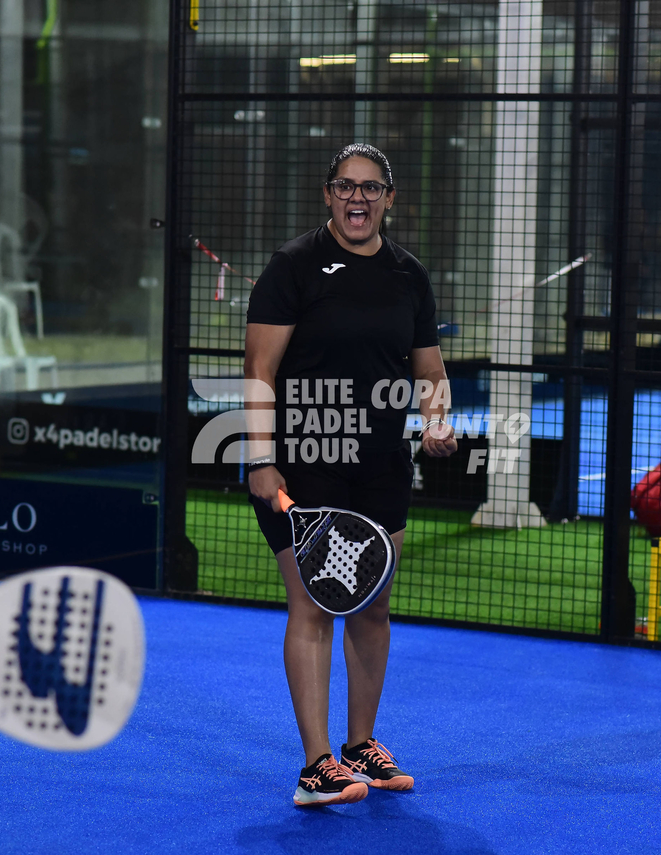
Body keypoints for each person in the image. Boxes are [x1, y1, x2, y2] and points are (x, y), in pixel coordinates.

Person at [243, 143, 458, 807]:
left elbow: (429, 367)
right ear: (328, 194)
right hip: (304, 462)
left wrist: (437, 420)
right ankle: (316, 766)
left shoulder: (408, 274)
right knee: (313, 605)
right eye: (345, 186)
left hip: (380, 464)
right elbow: (259, 369)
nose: (357, 197)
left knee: (372, 605)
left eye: (370, 187)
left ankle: (361, 744)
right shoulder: (292, 266)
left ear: (389, 198)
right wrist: (260, 457)